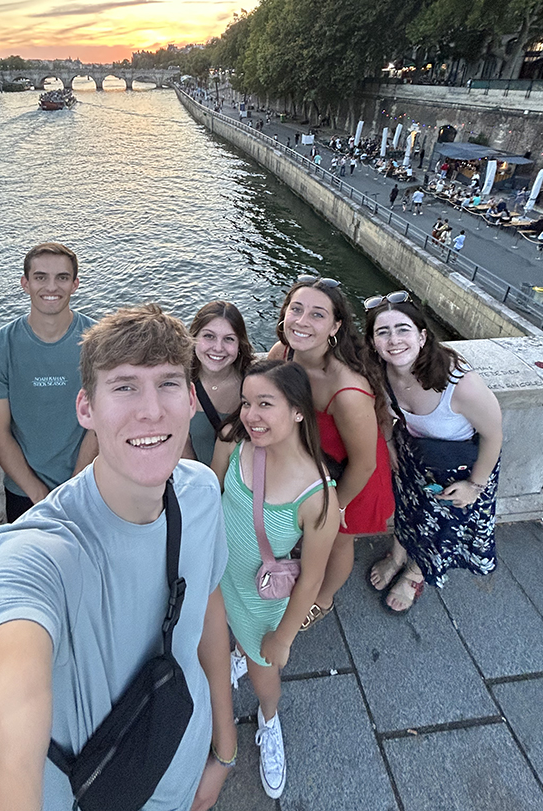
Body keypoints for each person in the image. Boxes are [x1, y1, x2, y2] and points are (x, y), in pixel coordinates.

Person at [0, 304, 236, 811]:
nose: (151, 409)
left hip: (185, 763)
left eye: (169, 383)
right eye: (125, 386)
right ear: (86, 408)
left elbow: (206, 615)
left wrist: (223, 749)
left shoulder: (199, 494)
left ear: (192, 399)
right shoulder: (36, 554)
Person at [212, 360, 339, 799]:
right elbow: (213, 498)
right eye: (247, 402)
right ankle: (235, 657)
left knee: (263, 669)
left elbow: (312, 577)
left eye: (266, 403)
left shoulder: (318, 494)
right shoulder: (233, 441)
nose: (251, 414)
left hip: (260, 602)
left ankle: (269, 721)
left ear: (299, 410)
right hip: (218, 576)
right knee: (226, 638)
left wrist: (284, 638)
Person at [365, 293, 503, 612]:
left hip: (455, 471)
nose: (394, 340)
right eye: (382, 332)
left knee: (436, 525)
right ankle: (397, 555)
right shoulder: (379, 372)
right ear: (372, 342)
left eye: (403, 329)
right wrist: (388, 445)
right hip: (413, 455)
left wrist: (475, 486)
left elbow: (494, 434)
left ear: (422, 336)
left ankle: (415, 573)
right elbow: (384, 412)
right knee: (406, 507)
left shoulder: (460, 384)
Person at [268, 278, 393, 624]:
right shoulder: (283, 353)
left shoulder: (347, 390)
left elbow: (365, 463)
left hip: (352, 476)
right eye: (296, 309)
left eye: (317, 315)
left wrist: (335, 508)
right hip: (315, 462)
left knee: (338, 540)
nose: (302, 321)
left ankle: (322, 601)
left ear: (335, 327)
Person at [0, 242, 97, 522]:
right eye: (40, 277)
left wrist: (73, 487)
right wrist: (38, 494)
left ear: (75, 284)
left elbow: (102, 423)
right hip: (24, 490)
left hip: (89, 484)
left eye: (62, 278)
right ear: (25, 283)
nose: (51, 287)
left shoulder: (98, 342)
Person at [184, 301, 254, 465]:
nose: (218, 348)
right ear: (194, 337)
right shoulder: (179, 383)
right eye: (209, 336)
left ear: (239, 344)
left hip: (241, 487)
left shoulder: (254, 383)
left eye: (229, 339)